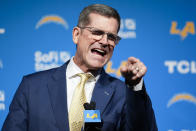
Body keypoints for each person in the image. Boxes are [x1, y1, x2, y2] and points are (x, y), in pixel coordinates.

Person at [2, 4, 157, 131]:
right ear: (76, 34)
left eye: (111, 37)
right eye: (97, 32)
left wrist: (134, 85)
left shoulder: (123, 94)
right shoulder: (32, 86)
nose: (104, 41)